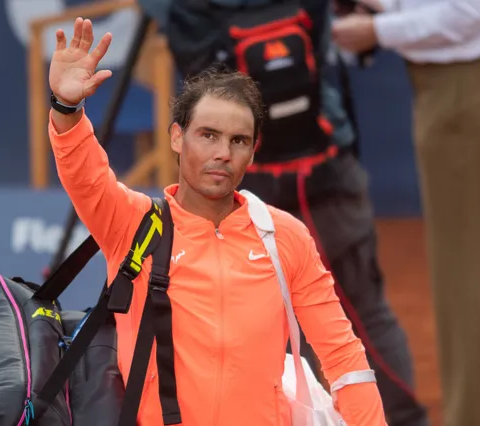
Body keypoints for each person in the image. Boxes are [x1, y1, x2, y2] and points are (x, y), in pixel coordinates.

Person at [47, 17, 387, 426]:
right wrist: (67, 108)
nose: (223, 153)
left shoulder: (286, 237)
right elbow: (84, 173)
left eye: (238, 140)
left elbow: (342, 356)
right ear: (177, 137)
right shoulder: (132, 222)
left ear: (252, 152)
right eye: (208, 135)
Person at [145, 0, 429, 424]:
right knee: (363, 315)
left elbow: (180, 40)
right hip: (319, 159)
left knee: (253, 321)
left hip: (238, 179)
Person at [331, 1, 480, 426]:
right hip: (451, 87)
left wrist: (379, 31)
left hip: (467, 85)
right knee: (460, 275)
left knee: (468, 277)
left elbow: (470, 14)